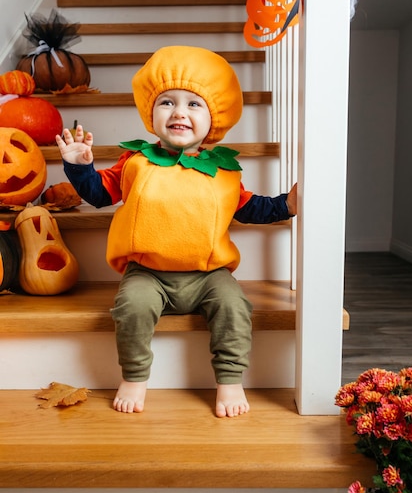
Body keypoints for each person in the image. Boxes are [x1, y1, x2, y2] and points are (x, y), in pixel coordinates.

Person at [56, 45, 297, 418]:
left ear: (213, 117)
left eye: (193, 104)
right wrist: (79, 169)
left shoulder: (225, 171)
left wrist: (286, 205)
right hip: (148, 273)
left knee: (235, 307)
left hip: (209, 276)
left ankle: (230, 380)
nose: (179, 112)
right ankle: (135, 376)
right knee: (131, 307)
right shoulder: (135, 161)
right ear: (151, 112)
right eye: (167, 102)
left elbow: (250, 208)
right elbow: (99, 195)